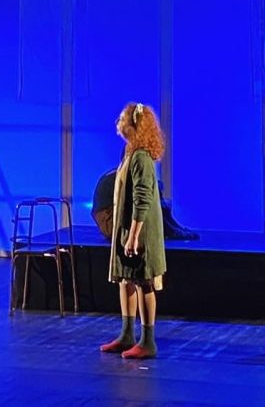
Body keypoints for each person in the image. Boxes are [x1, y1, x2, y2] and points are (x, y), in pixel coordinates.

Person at [99, 101, 167, 360]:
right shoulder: (130, 153)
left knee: (143, 281)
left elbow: (143, 198)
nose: (118, 122)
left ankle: (147, 341)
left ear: (134, 125)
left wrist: (134, 236)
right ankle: (126, 334)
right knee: (125, 279)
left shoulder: (141, 158)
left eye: (122, 118)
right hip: (126, 228)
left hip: (140, 231)